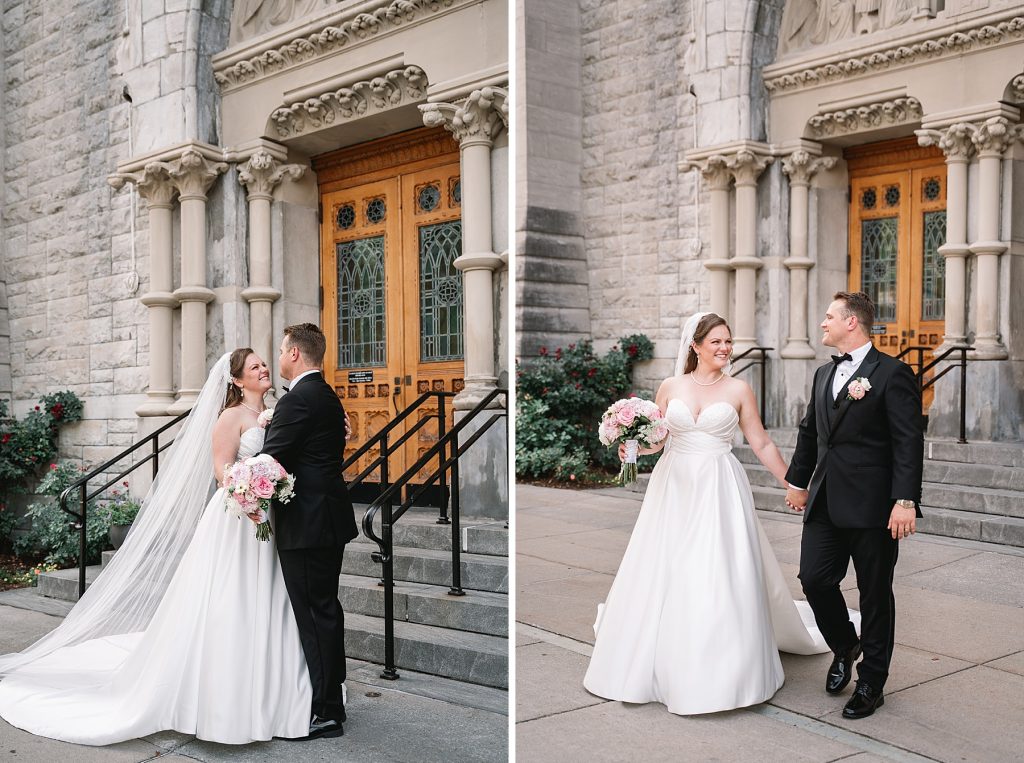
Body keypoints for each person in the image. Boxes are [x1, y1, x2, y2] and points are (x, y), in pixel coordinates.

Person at [0, 348, 322, 744]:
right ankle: (224, 699)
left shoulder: (276, 412)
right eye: (254, 366)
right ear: (237, 380)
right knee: (230, 600)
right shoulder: (229, 417)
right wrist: (247, 489)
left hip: (271, 519)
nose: (263, 368)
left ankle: (279, 690)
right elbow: (221, 470)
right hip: (237, 518)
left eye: (263, 364)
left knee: (273, 599)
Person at [583, 312, 839, 716]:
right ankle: (660, 657)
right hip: (673, 485)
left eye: (728, 341)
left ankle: (719, 666)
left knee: (714, 568)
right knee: (666, 566)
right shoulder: (670, 387)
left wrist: (794, 483)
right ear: (696, 345)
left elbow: (761, 443)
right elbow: (657, 439)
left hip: (719, 485)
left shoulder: (738, 389)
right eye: (716, 341)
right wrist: (630, 447)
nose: (724, 348)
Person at [785, 291, 923, 719]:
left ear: (852, 323)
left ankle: (872, 681)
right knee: (814, 578)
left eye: (829, 317)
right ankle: (844, 643)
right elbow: (811, 432)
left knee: (875, 594)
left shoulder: (892, 373)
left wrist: (905, 499)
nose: (822, 323)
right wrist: (796, 480)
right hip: (825, 500)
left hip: (874, 507)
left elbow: (907, 440)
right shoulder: (823, 376)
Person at [260, 323, 357, 740]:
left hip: (307, 524)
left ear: (296, 353)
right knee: (326, 610)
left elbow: (270, 459)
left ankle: (327, 712)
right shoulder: (329, 397)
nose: (279, 357)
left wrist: (237, 487)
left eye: (282, 350)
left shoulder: (298, 400)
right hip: (328, 518)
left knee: (315, 615)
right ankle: (332, 699)